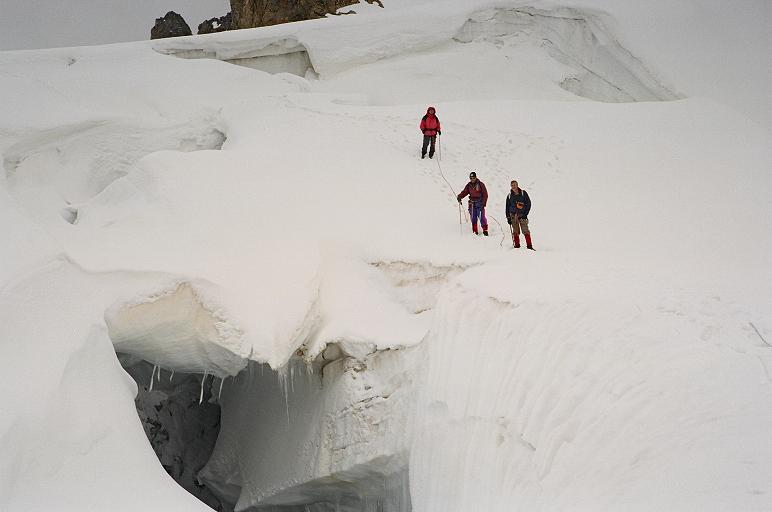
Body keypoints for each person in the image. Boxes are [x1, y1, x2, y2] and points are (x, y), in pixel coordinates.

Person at [457, 171, 489, 236]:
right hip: (472, 203)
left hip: (479, 203)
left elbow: (485, 194)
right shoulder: (469, 185)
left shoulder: (480, 184)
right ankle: (475, 231)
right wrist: (460, 196)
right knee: (473, 218)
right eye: (471, 178)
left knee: (481, 217)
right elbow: (465, 192)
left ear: (476, 177)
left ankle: (485, 230)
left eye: (473, 178)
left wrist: (483, 203)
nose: (472, 179)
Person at [505, 180, 533, 249]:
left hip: (522, 215)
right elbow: (507, 207)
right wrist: (508, 218)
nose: (513, 187)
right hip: (513, 216)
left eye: (514, 185)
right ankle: (517, 247)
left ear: (517, 185)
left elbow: (528, 204)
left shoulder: (523, 193)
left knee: (526, 230)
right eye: (512, 185)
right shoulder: (509, 196)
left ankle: (529, 246)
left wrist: (525, 214)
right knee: (515, 232)